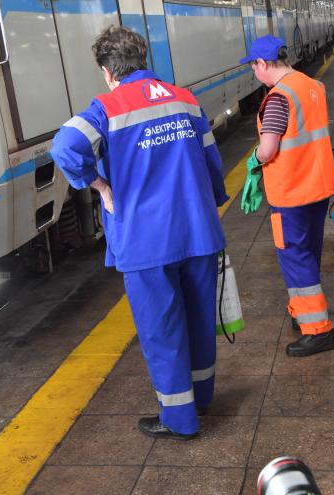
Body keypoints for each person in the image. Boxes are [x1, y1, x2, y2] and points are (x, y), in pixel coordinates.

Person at [51, 26, 228, 440]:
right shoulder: (185, 99)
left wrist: (100, 187)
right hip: (198, 230)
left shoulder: (108, 107)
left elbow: (64, 147)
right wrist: (212, 199)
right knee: (201, 319)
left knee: (162, 328)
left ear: (108, 71)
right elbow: (211, 159)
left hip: (147, 241)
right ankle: (202, 397)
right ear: (143, 60)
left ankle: (180, 418)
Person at [240, 35, 334, 357]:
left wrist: (253, 160)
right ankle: (303, 311)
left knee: (295, 257)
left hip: (292, 191)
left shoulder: (279, 98)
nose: (254, 72)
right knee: (307, 252)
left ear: (263, 64)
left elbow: (268, 149)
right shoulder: (311, 86)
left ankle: (319, 330)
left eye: (254, 66)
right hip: (318, 185)